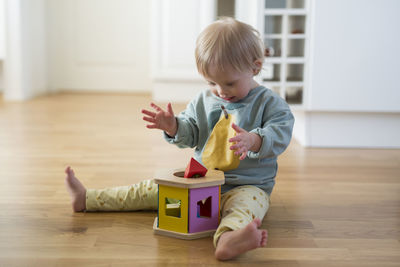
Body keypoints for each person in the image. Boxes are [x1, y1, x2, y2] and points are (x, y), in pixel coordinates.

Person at [65, 17, 294, 261]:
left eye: (229, 83)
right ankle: (87, 198)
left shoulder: (269, 103)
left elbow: (281, 133)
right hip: (199, 182)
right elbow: (190, 133)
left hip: (246, 186)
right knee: (147, 191)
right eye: (212, 82)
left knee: (245, 209)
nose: (221, 91)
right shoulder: (204, 100)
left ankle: (229, 238)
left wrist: (255, 141)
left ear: (255, 68)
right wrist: (174, 126)